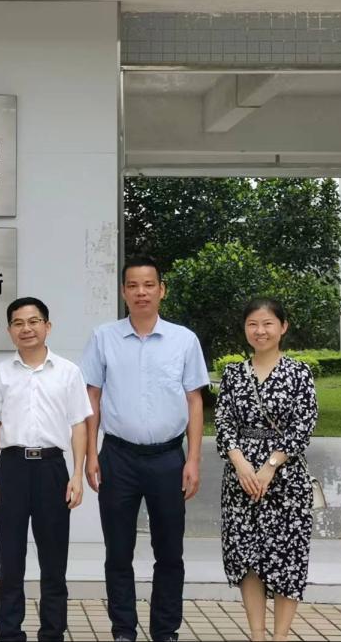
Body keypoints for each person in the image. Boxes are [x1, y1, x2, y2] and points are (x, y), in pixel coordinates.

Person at [80, 255, 210, 642]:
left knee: (169, 552)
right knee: (118, 552)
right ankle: (123, 630)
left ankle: (165, 630)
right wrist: (91, 455)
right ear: (123, 292)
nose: (141, 292)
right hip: (117, 457)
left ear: (161, 290)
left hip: (168, 458)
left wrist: (193, 459)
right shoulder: (103, 337)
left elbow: (195, 403)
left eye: (149, 285)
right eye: (133, 286)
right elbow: (92, 398)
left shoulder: (183, 340)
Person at [0, 297, 89, 642]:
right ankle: (9, 632)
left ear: (47, 326)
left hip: (52, 469)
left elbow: (79, 426)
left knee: (54, 560)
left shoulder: (68, 372)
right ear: (10, 330)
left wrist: (77, 475)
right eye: (18, 323)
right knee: (10, 559)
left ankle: (52, 632)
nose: (26, 329)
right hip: (11, 469)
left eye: (33, 321)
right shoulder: (1, 374)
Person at [214, 298, 319, 642]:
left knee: (288, 557)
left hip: (286, 479)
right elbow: (223, 422)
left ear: (283, 327)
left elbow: (304, 424)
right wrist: (240, 463)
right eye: (253, 324)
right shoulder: (233, 374)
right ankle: (257, 635)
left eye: (268, 323)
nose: (260, 331)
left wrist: (270, 465)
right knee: (247, 556)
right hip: (241, 479)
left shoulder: (299, 373)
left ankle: (280, 637)